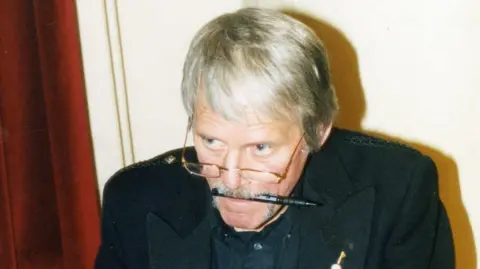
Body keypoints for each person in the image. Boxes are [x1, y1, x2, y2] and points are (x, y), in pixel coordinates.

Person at [94, 7, 454, 269]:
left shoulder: (399, 191)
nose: (231, 179)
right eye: (211, 142)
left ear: (317, 130)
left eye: (261, 148)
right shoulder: (134, 200)